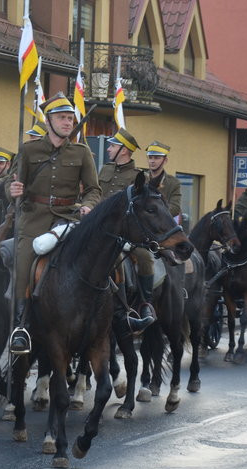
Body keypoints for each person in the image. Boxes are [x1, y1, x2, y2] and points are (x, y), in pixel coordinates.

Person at [7, 92, 101, 354]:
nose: (68, 122)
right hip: (34, 217)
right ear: (48, 121)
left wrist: (88, 205)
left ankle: (103, 315)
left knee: (95, 259)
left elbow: (94, 189)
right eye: (62, 118)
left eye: (70, 118)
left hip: (68, 217)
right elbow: (11, 184)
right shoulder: (28, 150)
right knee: (23, 261)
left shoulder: (82, 153)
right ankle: (21, 326)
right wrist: (12, 190)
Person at [99, 128, 154, 332]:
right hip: (102, 229)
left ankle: (145, 304)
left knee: (145, 258)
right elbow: (97, 195)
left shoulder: (140, 177)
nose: (108, 148)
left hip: (127, 232)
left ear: (124, 150)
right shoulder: (105, 170)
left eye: (112, 146)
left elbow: (142, 210)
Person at [135, 140, 183, 325]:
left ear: (165, 160)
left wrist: (157, 214)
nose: (152, 161)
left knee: (174, 258)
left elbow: (176, 206)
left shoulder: (173, 183)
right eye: (150, 157)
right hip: (143, 230)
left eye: (156, 158)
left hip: (164, 229)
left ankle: (179, 290)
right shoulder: (140, 179)